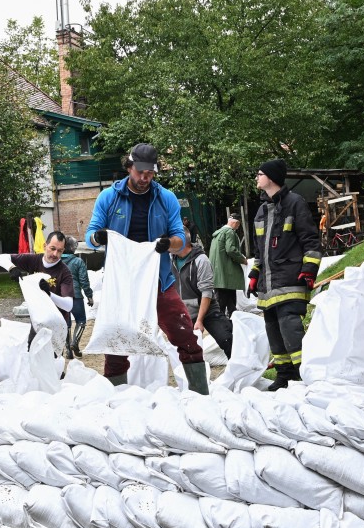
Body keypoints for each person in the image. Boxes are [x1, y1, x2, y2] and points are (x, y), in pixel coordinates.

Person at [85, 142, 208, 394]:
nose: (144, 178)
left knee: (184, 333)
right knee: (116, 343)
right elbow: (90, 235)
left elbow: (181, 238)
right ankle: (117, 402)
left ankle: (200, 397)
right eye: (140, 172)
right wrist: (100, 238)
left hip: (159, 281)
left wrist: (169, 244)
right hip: (121, 285)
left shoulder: (166, 198)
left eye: (150, 173)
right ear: (129, 167)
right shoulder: (109, 197)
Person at [248, 157, 322, 391]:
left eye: (260, 173)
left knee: (289, 326)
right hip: (268, 285)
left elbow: (311, 240)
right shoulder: (261, 210)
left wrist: (309, 270)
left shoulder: (295, 203)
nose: (257, 178)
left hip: (290, 279)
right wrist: (254, 274)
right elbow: (259, 250)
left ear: (271, 177)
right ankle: (284, 375)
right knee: (273, 329)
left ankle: (305, 374)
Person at [6, 230, 75, 354]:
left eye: (59, 251)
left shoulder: (64, 272)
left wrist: (49, 294)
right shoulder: (33, 260)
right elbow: (1, 257)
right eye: (52, 248)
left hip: (56, 323)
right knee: (32, 354)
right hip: (38, 320)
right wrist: (12, 268)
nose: (55, 254)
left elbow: (69, 305)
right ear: (45, 246)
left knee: (52, 362)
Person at [175, 222, 233, 359]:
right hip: (185, 313)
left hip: (207, 310)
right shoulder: (170, 259)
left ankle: (244, 371)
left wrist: (200, 320)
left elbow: (207, 293)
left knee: (226, 338)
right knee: (187, 349)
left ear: (182, 242)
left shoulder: (201, 260)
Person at [208, 212, 246, 322]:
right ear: (236, 223)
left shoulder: (218, 233)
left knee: (227, 300)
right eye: (238, 225)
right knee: (223, 302)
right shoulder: (229, 232)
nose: (238, 227)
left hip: (218, 273)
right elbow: (231, 250)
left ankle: (232, 322)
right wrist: (242, 259)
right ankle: (221, 324)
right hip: (226, 273)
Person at [61, 236, 94, 359]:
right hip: (75, 296)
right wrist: (89, 296)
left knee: (66, 324)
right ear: (71, 248)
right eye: (75, 246)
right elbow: (84, 281)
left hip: (60, 297)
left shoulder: (56, 262)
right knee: (81, 321)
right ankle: (75, 342)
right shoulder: (78, 262)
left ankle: (68, 350)